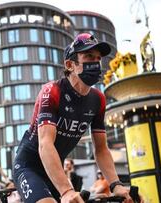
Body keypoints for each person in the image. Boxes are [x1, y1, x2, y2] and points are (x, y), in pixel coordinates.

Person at [13, 33, 140, 203]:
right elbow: (45, 144)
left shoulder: (98, 99)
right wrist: (66, 191)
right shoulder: (52, 91)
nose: (95, 62)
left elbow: (101, 149)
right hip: (29, 166)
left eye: (98, 58)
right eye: (88, 56)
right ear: (70, 64)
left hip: (54, 169)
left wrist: (116, 184)